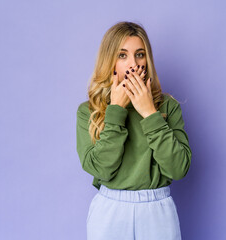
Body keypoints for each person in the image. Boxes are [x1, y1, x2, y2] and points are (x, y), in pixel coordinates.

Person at [76, 21, 192, 240]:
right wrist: (116, 112)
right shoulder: (89, 111)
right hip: (110, 210)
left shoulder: (167, 107)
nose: (133, 63)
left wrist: (150, 113)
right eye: (122, 55)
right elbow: (101, 170)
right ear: (110, 61)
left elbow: (178, 169)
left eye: (140, 54)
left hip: (158, 210)